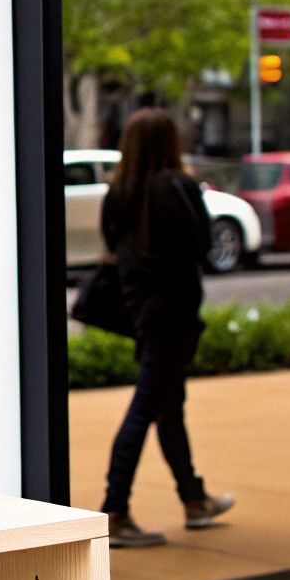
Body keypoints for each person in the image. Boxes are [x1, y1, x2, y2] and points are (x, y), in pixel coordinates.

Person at [98, 108, 234, 548]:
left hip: (141, 308)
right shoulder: (177, 185)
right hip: (173, 310)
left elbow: (111, 245)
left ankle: (194, 500)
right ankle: (114, 510)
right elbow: (204, 244)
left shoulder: (119, 191)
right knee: (147, 406)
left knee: (167, 405)